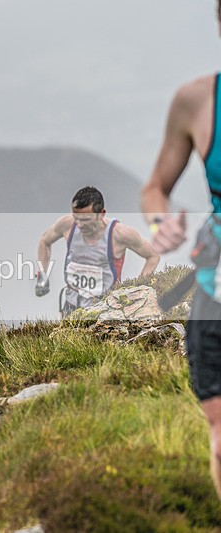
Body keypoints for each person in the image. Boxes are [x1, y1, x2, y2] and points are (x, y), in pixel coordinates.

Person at [141, 0, 221, 499]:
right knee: (220, 439)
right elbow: (155, 187)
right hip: (215, 291)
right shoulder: (198, 101)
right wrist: (160, 220)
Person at [36, 186, 159, 316]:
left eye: (85, 220)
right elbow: (44, 241)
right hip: (70, 306)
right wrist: (42, 274)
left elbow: (153, 256)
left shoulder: (119, 234)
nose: (79, 225)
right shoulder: (67, 224)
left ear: (101, 214)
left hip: (105, 309)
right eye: (76, 218)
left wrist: (138, 288)